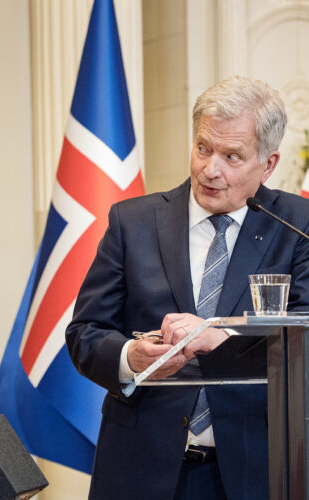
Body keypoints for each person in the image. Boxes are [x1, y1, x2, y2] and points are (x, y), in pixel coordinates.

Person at [66, 76, 309, 500]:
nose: (210, 169)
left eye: (232, 156)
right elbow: (85, 332)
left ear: (268, 164)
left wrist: (225, 340)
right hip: (141, 469)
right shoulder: (133, 222)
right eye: (203, 148)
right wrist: (131, 358)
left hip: (258, 470)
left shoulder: (296, 226)